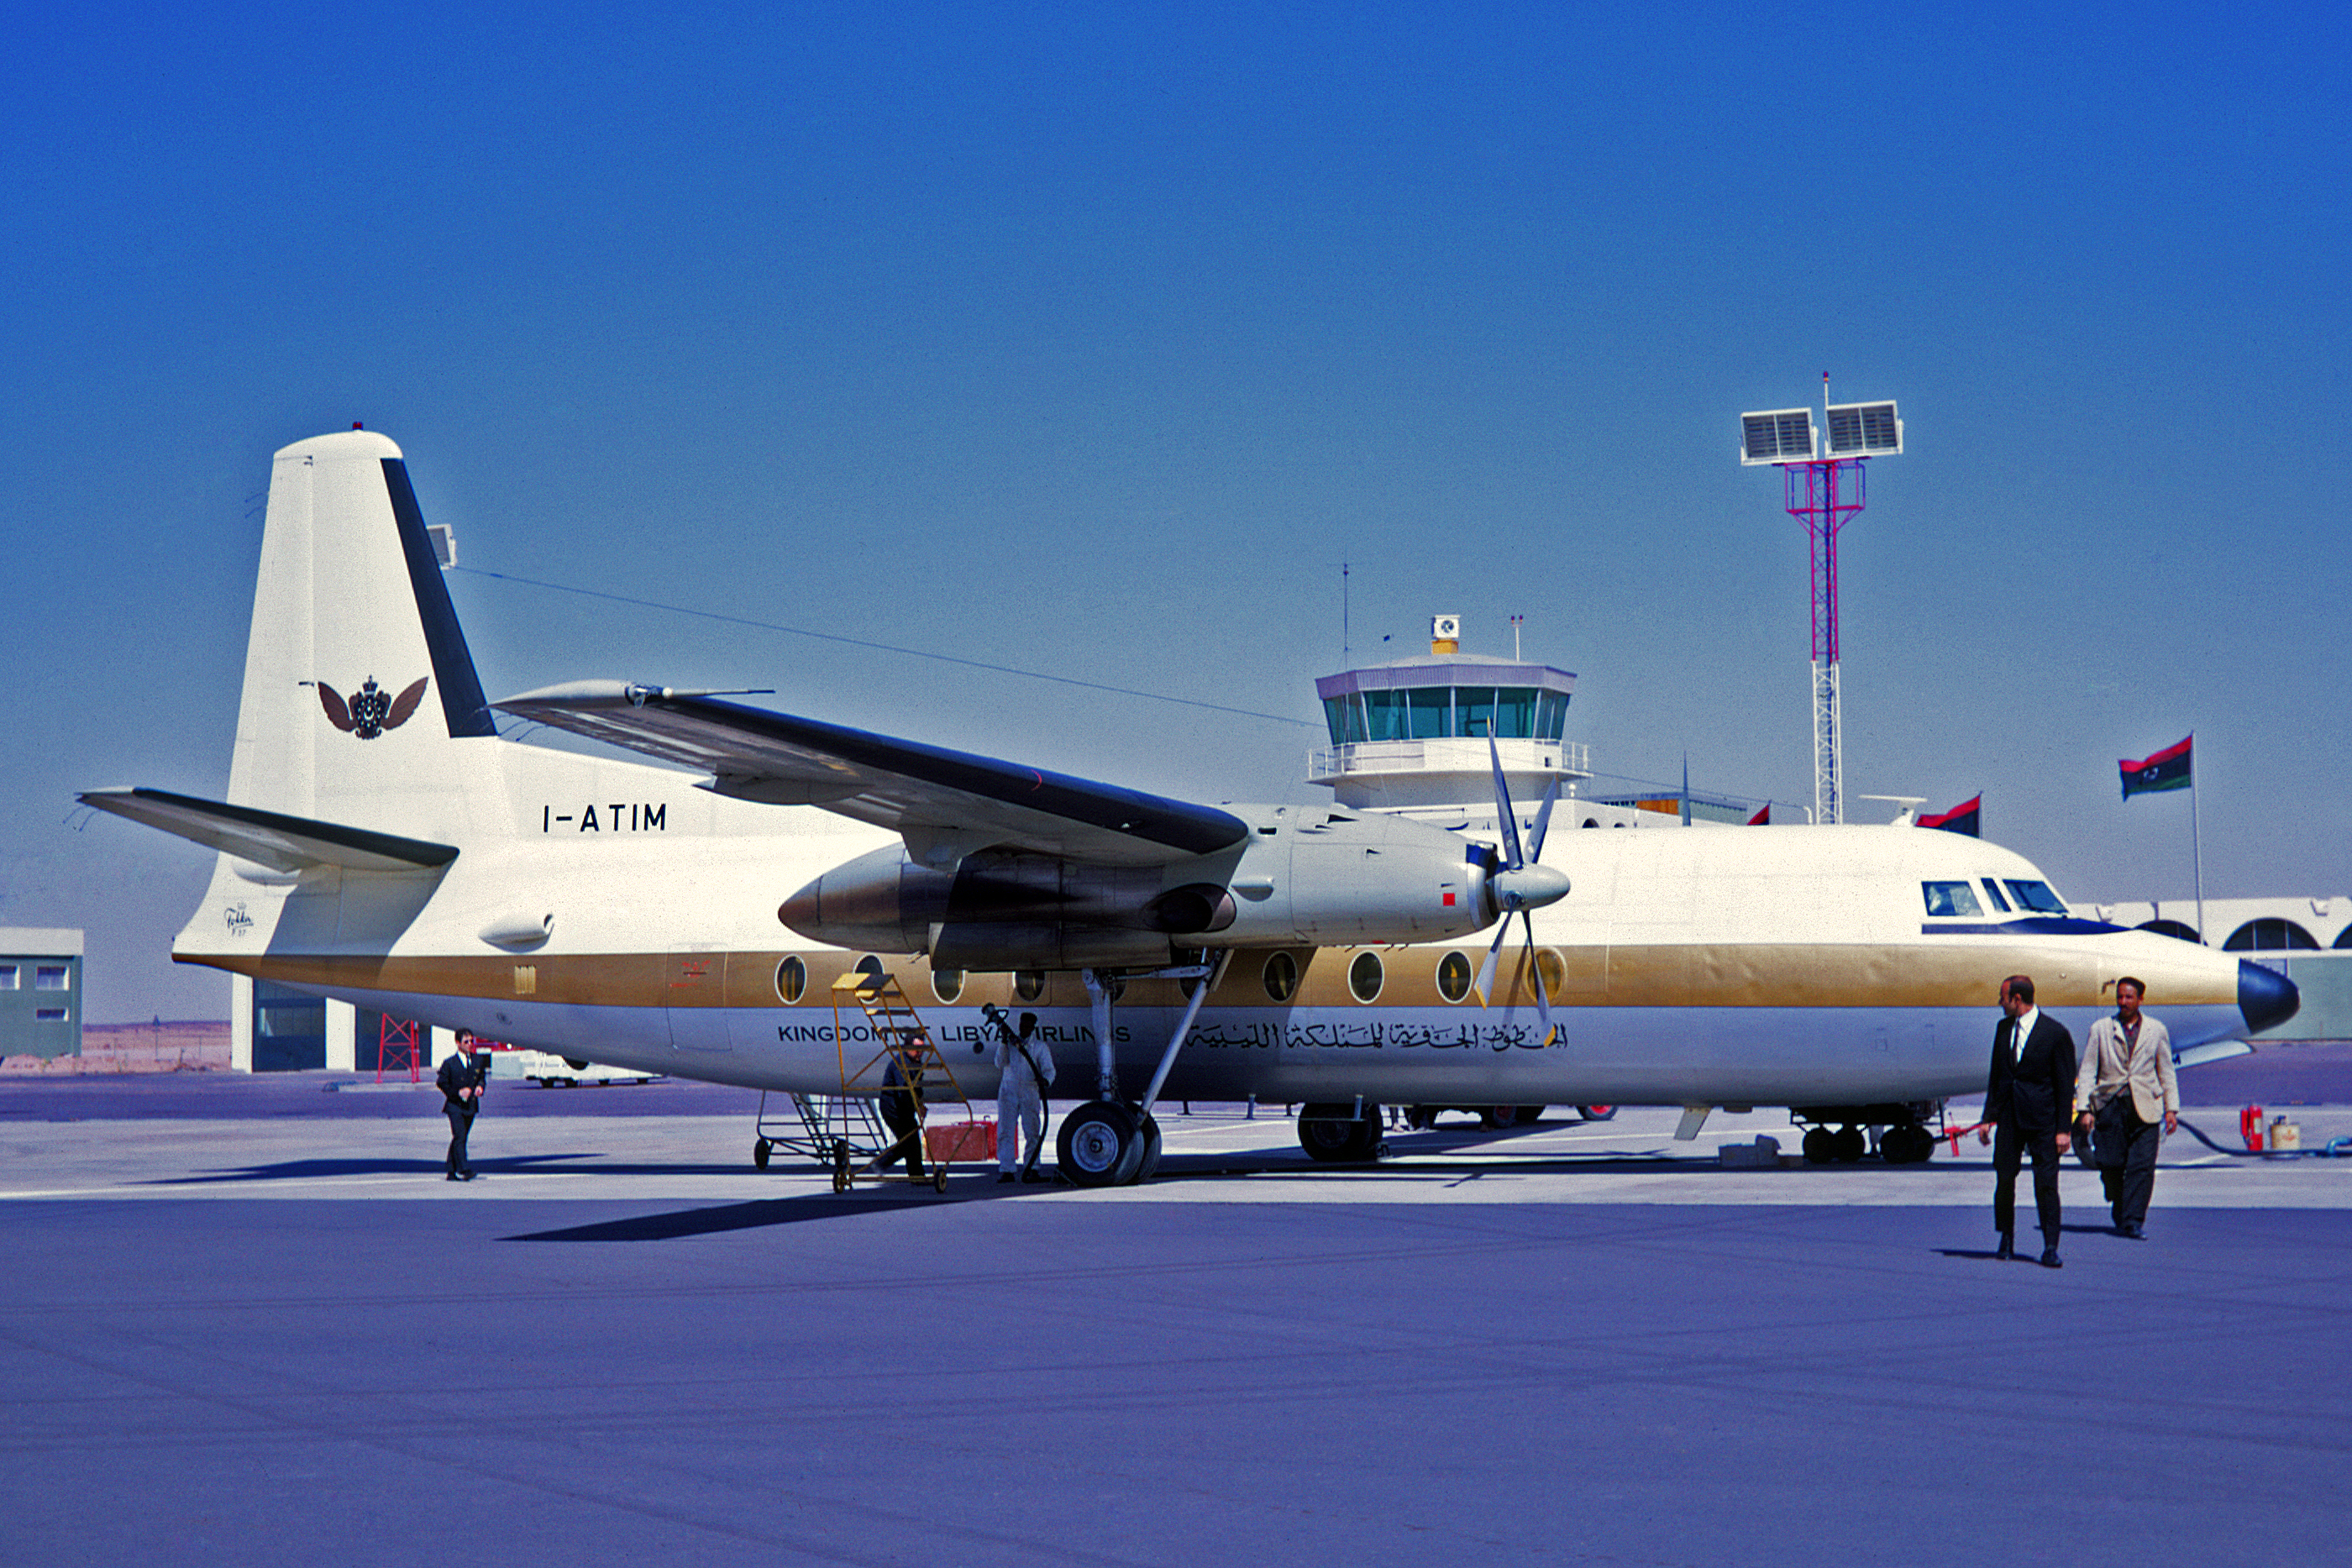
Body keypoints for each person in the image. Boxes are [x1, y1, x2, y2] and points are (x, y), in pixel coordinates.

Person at [1981, 974, 2076, 1266]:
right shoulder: (2003, 1029)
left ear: (2017, 999)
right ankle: (2006, 1237)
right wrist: (1988, 1118)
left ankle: (2050, 1245)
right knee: (2004, 1179)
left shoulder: (2055, 1033)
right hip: (2010, 1119)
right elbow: (1997, 1077)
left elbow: (2064, 1086)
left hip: (2043, 1121)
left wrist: (2063, 1129)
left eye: (2003, 998)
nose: (2000, 1003)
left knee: (2046, 1184)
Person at [2075, 977, 2179, 1239]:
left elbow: (2166, 1070)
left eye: (2129, 997)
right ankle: (2118, 1202)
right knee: (2111, 1164)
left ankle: (2133, 1220)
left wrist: (2171, 1109)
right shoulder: (2101, 1029)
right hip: (2111, 1105)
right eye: (2120, 997)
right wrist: (2085, 1109)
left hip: (2146, 1106)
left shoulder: (2156, 1030)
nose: (2123, 1002)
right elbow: (2088, 1070)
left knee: (2141, 1166)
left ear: (2140, 999)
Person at [993, 1010, 1056, 1183]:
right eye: (1022, 1024)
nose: (1023, 1027)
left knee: (1032, 1131)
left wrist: (1045, 1080)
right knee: (1005, 1131)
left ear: (1032, 1027)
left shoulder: (1040, 1047)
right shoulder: (1010, 1044)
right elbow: (999, 1062)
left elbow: (1049, 1070)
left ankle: (1032, 1167)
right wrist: (1004, 1041)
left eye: (1027, 1025)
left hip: (1030, 1091)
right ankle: (1007, 1169)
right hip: (1008, 1091)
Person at [876, 1030, 927, 1181]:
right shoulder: (901, 1063)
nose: (919, 1053)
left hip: (905, 1106)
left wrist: (920, 1104)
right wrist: (915, 1107)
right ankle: (882, 1163)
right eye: (916, 1048)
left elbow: (916, 1087)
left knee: (911, 1141)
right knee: (909, 1141)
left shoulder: (915, 1063)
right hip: (893, 1107)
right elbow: (903, 1090)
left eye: (922, 1049)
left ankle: (916, 1175)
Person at [435, 1028, 485, 1181]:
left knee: (460, 1137)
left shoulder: (477, 1061)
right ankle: (464, 1168)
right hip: (455, 1106)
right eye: (466, 1042)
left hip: (470, 1106)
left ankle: (451, 1169)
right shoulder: (450, 1063)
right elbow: (441, 1082)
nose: (470, 1044)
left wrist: (480, 1087)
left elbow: (481, 1078)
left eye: (471, 1041)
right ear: (458, 1043)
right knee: (460, 1136)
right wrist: (457, 1092)